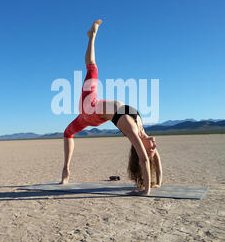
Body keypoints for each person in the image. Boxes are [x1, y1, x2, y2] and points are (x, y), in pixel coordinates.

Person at [60, 20, 162, 195]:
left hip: (90, 109)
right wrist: (158, 182)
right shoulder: (141, 129)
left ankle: (91, 36)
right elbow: (154, 159)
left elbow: (145, 160)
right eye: (154, 146)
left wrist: (146, 190)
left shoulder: (131, 129)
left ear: (142, 148)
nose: (154, 144)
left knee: (92, 69)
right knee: (68, 133)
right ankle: (66, 170)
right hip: (94, 116)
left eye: (151, 146)